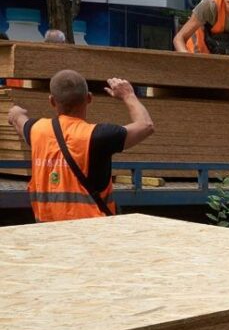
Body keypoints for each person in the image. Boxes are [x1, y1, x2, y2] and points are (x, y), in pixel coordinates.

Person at [6, 69, 154, 222]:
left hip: (49, 233)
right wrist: (128, 95)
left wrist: (16, 112)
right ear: (89, 98)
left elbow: (19, 121)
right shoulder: (99, 136)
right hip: (91, 234)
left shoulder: (36, 131)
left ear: (51, 101)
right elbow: (146, 125)